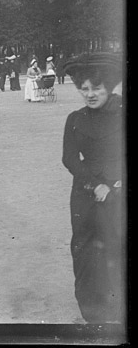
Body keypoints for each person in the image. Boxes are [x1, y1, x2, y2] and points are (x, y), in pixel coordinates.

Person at [61, 53, 124, 323]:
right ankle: (92, 312)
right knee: (84, 249)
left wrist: (115, 182)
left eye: (96, 88)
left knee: (115, 246)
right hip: (85, 195)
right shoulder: (75, 119)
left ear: (109, 87)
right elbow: (70, 158)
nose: (90, 94)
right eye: (84, 89)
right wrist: (94, 184)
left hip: (118, 192)